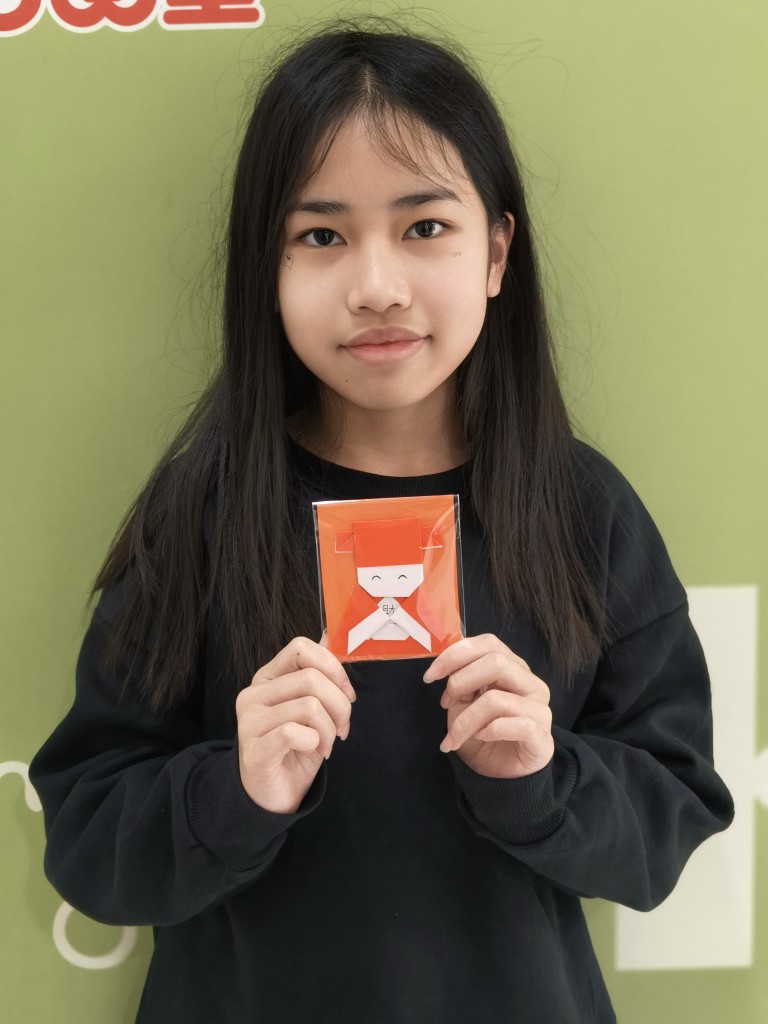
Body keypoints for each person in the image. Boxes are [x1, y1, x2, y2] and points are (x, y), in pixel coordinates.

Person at [29, 24, 734, 1024]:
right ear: (265, 266)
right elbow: (89, 840)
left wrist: (544, 777)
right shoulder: (200, 512)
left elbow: (673, 816)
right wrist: (237, 789)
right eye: (321, 236)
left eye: (424, 226)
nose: (376, 287)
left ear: (497, 251)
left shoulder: (583, 510)